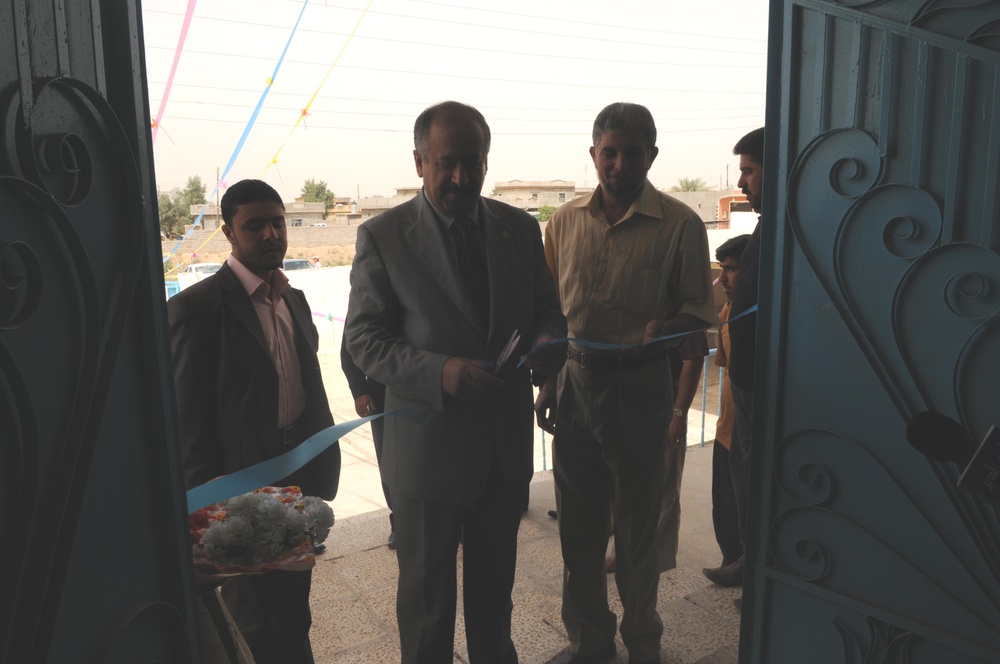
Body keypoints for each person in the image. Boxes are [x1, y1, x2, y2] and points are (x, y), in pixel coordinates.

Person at [344, 101, 567, 664]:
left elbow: (547, 311)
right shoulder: (384, 236)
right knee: (427, 605)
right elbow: (364, 340)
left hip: (501, 450)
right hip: (427, 454)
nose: (462, 178)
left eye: (474, 162)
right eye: (447, 163)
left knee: (494, 597)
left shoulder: (519, 228)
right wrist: (438, 372)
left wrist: (546, 344)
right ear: (419, 162)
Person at [536, 102, 716, 664]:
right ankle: (589, 641)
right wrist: (545, 383)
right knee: (579, 531)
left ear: (651, 156)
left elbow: (698, 309)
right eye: (607, 153)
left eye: (631, 154)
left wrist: (674, 325)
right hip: (573, 384)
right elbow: (549, 315)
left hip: (640, 391)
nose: (617, 164)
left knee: (638, 532)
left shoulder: (680, 224)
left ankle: (643, 642)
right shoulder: (564, 221)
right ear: (593, 155)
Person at [168, 178, 341, 664]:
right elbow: (189, 423)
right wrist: (206, 516)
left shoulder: (294, 300)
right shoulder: (195, 310)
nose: (271, 234)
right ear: (228, 233)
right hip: (238, 495)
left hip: (298, 482)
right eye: (255, 225)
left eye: (278, 222)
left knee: (294, 610)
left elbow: (310, 392)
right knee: (255, 623)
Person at [703, 127, 764, 590]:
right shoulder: (768, 227)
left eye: (748, 171)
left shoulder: (787, 227)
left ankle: (758, 571)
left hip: (764, 390)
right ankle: (744, 560)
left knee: (757, 485)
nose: (741, 183)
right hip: (745, 393)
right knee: (737, 484)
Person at [604, 333, 708, 576]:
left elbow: (693, 360)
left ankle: (648, 559)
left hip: (665, 409)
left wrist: (679, 415)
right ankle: (628, 553)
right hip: (633, 406)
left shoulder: (683, 317)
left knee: (663, 488)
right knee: (630, 486)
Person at [703, 234, 751, 578]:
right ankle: (731, 563)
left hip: (749, 436)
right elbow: (725, 373)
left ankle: (747, 571)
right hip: (726, 432)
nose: (723, 280)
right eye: (722, 270)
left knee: (750, 508)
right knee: (726, 507)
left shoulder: (761, 317)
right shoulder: (725, 311)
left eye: (732, 270)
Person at [340, 333, 394, 548]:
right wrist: (359, 390)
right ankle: (399, 520)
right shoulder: (368, 297)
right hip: (383, 395)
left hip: (430, 389)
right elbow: (350, 347)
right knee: (390, 460)